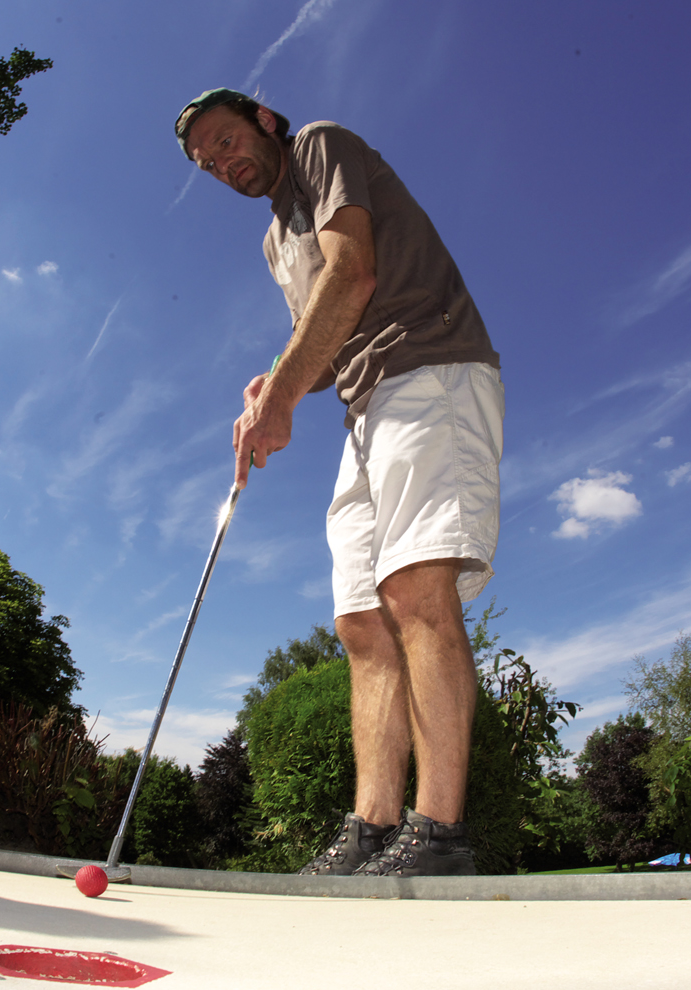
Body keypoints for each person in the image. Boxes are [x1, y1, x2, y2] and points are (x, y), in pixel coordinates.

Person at [176, 89, 504, 877]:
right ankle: (372, 827)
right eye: (207, 163)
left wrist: (283, 394)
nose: (223, 163)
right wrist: (276, 384)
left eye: (226, 140)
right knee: (361, 621)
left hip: (430, 367)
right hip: (363, 409)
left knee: (417, 591)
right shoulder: (272, 244)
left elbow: (353, 273)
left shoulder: (320, 146)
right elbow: (318, 340)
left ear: (264, 120)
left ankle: (441, 833)